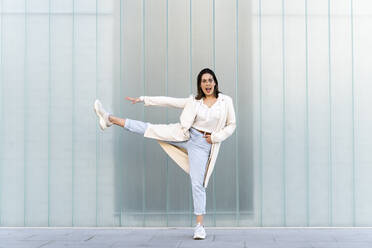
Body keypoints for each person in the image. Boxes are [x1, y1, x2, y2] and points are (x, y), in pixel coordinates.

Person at [94, 68, 236, 240]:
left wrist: (214, 137)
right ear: (200, 84)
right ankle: (110, 119)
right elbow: (169, 101)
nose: (207, 84)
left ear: (215, 82)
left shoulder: (225, 101)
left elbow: (231, 125)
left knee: (197, 184)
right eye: (204, 81)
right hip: (184, 133)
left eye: (210, 80)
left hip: (203, 145)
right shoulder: (194, 101)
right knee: (150, 129)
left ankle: (199, 226)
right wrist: (144, 99)